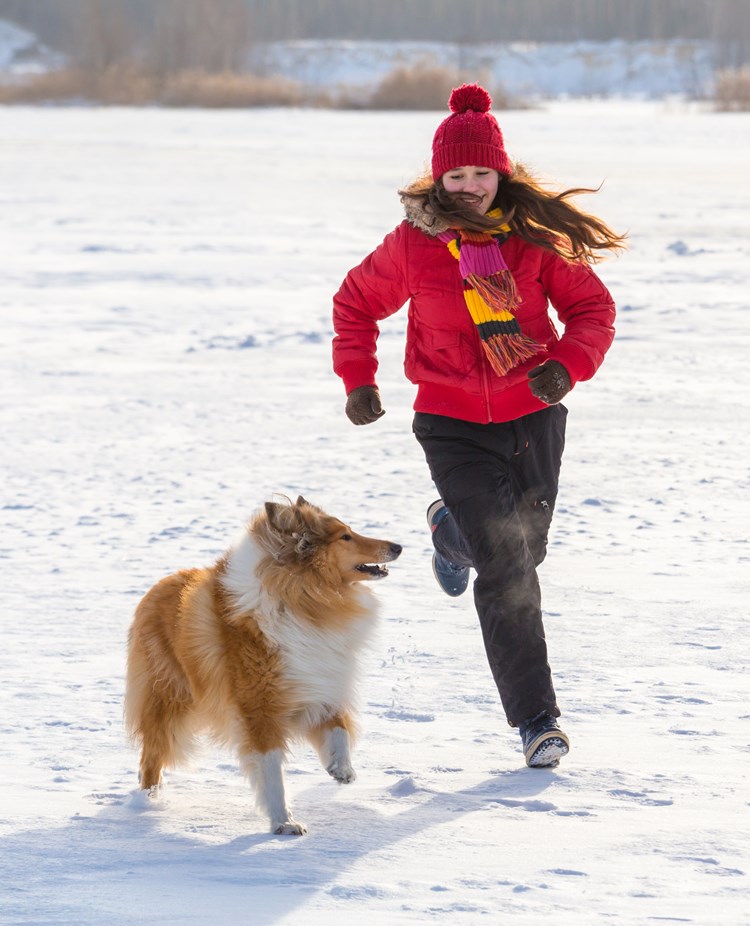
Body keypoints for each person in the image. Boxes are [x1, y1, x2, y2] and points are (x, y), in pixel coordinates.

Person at [331, 83, 624, 768]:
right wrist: (359, 379)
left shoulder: (535, 243)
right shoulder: (414, 245)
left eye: (480, 174)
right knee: (507, 564)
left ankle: (447, 533)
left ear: (501, 174)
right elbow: (355, 303)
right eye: (456, 175)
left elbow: (593, 311)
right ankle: (537, 721)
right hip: (450, 423)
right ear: (439, 178)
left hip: (533, 417)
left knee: (527, 548)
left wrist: (567, 367)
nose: (468, 187)